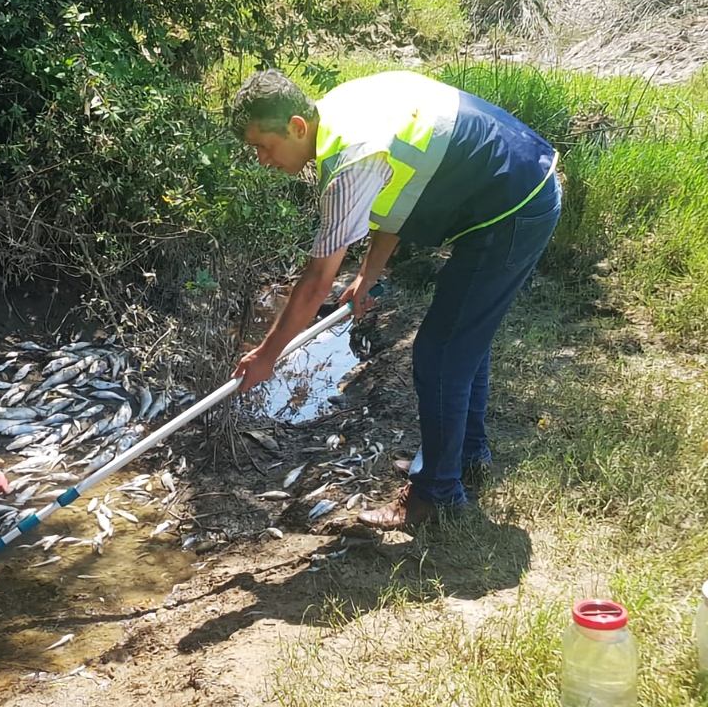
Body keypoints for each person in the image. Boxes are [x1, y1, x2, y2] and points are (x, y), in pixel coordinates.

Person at [229, 68, 562, 530]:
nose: (262, 160)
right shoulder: (339, 109)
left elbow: (316, 280)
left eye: (264, 146)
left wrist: (269, 354)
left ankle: (435, 496)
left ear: (296, 127)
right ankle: (465, 457)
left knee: (441, 352)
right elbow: (395, 193)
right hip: (513, 187)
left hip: (513, 206)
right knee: (463, 342)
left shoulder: (349, 155)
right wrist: (369, 272)